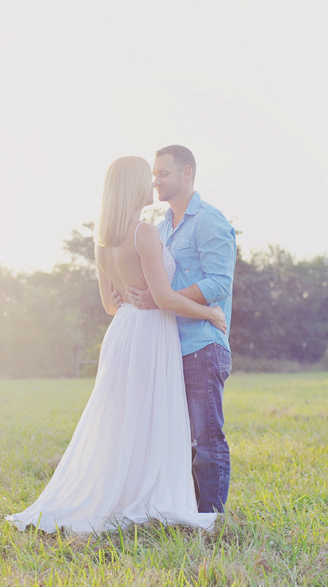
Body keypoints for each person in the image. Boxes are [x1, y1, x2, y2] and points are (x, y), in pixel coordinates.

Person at [6, 156, 225, 534]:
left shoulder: (102, 240)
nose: (153, 182)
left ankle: (120, 492)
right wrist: (210, 315)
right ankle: (146, 496)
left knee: (125, 418)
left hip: (123, 332)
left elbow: (110, 304)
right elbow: (165, 298)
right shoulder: (143, 233)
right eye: (148, 176)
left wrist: (130, 298)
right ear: (134, 186)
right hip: (151, 331)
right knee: (151, 416)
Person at [125, 145, 236, 514]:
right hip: (168, 347)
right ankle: (184, 511)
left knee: (206, 439)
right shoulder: (159, 228)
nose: (156, 181)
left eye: (164, 174)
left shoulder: (210, 221)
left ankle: (212, 519)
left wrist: (163, 298)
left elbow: (219, 283)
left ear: (187, 174)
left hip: (202, 345)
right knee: (177, 440)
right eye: (154, 174)